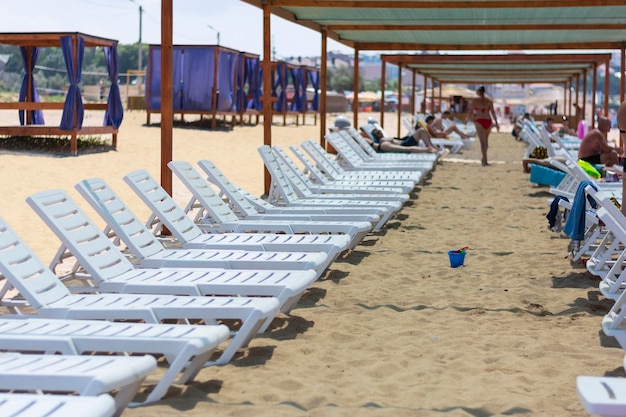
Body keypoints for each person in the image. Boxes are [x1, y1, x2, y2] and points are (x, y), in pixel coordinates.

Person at [465, 85, 499, 166]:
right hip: (488, 120)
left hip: (479, 120)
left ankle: (485, 160)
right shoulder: (489, 100)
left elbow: (470, 111)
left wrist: (467, 119)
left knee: (482, 142)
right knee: (486, 141)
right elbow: (493, 112)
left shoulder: (475, 100)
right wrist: (496, 123)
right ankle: (484, 158)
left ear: (478, 92)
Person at [370, 127, 439, 154]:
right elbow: (404, 148)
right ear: (376, 136)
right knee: (421, 130)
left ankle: (431, 147)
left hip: (405, 142)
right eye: (378, 133)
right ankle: (431, 147)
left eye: (380, 131)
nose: (380, 132)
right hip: (405, 144)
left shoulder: (384, 139)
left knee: (422, 131)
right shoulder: (382, 140)